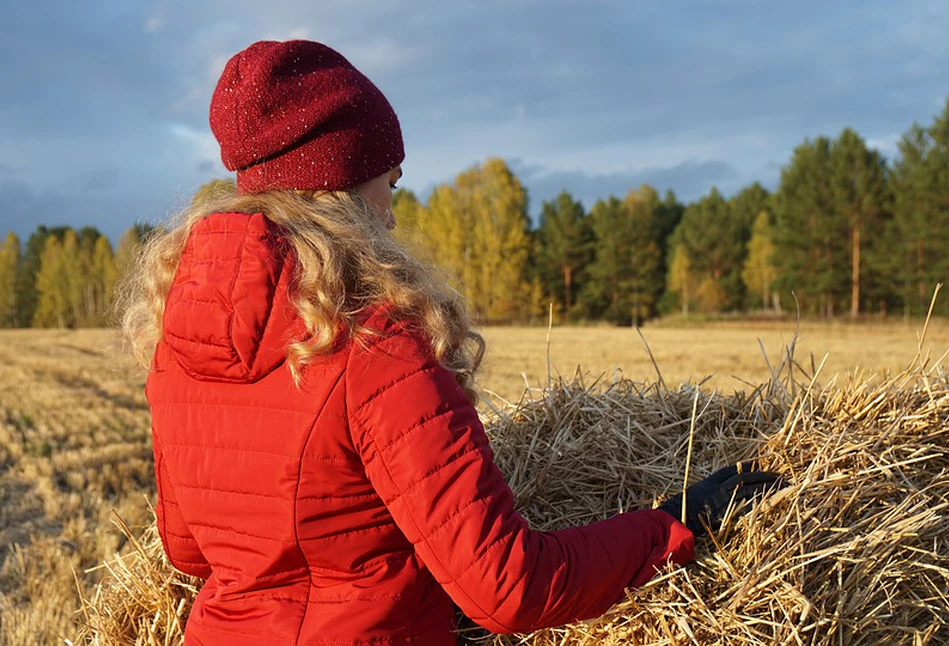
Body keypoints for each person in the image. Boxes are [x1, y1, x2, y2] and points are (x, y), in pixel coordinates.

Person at [117, 39, 782, 646]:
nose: (393, 210)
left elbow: (188, 550)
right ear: (340, 186)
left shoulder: (178, 338)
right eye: (389, 182)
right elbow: (509, 590)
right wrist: (675, 524)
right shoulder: (371, 345)